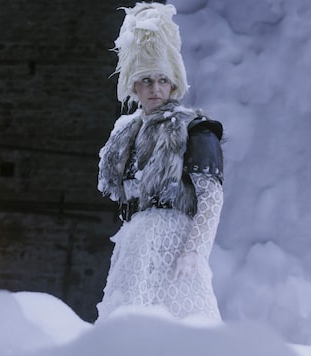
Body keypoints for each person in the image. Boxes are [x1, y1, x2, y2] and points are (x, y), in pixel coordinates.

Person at [96, 2, 224, 321]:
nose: (155, 89)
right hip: (135, 242)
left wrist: (195, 250)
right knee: (126, 324)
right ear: (135, 85)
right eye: (147, 81)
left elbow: (210, 195)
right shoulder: (126, 132)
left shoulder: (193, 128)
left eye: (162, 80)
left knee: (181, 326)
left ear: (173, 83)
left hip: (174, 240)